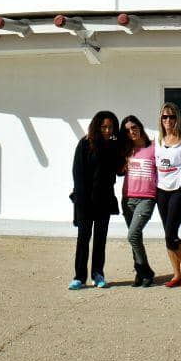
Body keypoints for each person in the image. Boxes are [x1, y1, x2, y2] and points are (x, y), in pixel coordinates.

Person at [69, 110, 120, 290]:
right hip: (85, 201)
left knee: (100, 239)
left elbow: (119, 170)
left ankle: (98, 273)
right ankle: (79, 277)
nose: (107, 130)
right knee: (83, 238)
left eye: (110, 127)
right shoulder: (85, 144)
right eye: (104, 127)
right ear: (97, 126)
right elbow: (77, 173)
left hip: (104, 201)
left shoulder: (113, 146)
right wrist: (81, 200)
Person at [153, 103, 181, 288]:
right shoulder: (158, 139)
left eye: (171, 117)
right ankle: (176, 274)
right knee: (168, 234)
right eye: (164, 117)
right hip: (161, 191)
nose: (168, 120)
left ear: (177, 118)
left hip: (178, 190)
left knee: (171, 233)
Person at [118, 115, 156, 287]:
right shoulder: (126, 150)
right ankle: (140, 274)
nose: (131, 131)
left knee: (132, 235)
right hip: (127, 199)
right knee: (136, 238)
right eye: (127, 130)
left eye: (134, 127)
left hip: (146, 198)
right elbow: (117, 170)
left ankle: (146, 271)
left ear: (140, 127)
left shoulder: (154, 147)